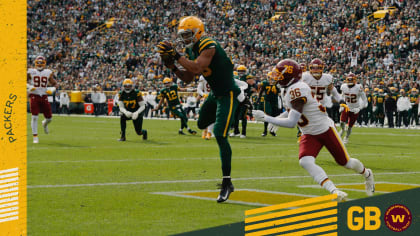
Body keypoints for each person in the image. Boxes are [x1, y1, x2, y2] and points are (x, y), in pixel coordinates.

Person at [252, 59, 375, 202]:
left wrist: (267, 118)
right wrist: (279, 117)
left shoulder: (298, 89)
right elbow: (293, 111)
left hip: (324, 129)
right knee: (305, 161)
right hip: (309, 133)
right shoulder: (288, 89)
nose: (276, 77)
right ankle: (334, 191)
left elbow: (292, 122)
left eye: (279, 74)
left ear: (289, 76)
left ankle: (367, 174)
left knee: (346, 163)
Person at [156, 16, 241, 203]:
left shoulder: (208, 44)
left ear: (198, 31)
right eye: (183, 35)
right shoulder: (192, 48)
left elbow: (196, 68)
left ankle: (227, 182)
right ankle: (229, 120)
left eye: (188, 34)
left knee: (219, 133)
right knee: (201, 123)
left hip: (229, 93)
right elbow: (187, 78)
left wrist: (177, 56)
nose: (185, 38)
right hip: (215, 95)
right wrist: (172, 67)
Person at [27, 55, 58, 143]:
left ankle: (44, 123)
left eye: (41, 63)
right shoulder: (31, 72)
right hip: (34, 95)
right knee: (34, 117)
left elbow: (55, 84)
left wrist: (52, 89)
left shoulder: (48, 72)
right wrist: (29, 86)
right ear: (35, 63)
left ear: (44, 63)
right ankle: (35, 137)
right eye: (38, 63)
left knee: (49, 118)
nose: (40, 65)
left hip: (44, 96)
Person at [339, 73, 367, 144]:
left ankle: (346, 137)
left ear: (355, 80)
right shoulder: (343, 86)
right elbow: (342, 96)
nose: (350, 81)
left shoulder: (359, 87)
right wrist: (341, 105)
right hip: (347, 107)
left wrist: (359, 108)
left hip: (355, 108)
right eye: (349, 80)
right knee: (341, 122)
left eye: (352, 80)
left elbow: (364, 100)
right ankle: (342, 130)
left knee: (350, 126)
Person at [257, 71, 281, 136]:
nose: (273, 80)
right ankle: (265, 131)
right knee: (267, 115)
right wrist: (258, 99)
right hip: (267, 101)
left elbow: (279, 93)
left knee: (274, 116)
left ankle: (272, 130)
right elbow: (261, 91)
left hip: (275, 101)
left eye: (274, 78)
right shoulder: (265, 83)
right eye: (272, 78)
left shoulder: (277, 84)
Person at [196, 75, 214, 140]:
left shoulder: (216, 73)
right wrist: (204, 94)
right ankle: (205, 130)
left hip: (215, 97)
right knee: (204, 116)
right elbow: (199, 89)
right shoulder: (202, 77)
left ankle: (209, 132)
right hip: (206, 98)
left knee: (213, 116)